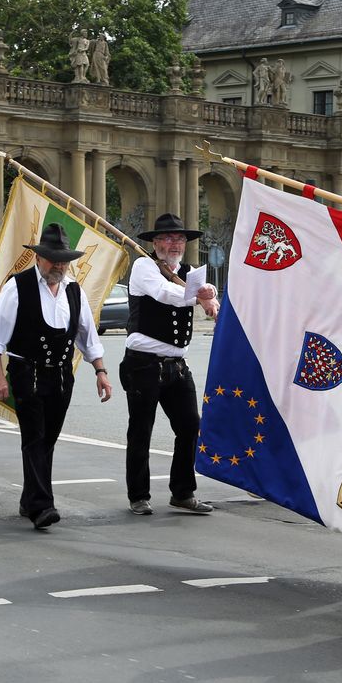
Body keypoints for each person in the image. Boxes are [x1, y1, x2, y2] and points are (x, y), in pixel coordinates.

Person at [0, 223, 112, 530]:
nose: (60, 265)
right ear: (40, 258)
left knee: (48, 440)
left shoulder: (73, 289)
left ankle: (29, 499)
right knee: (35, 438)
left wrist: (101, 371)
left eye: (64, 260)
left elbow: (87, 336)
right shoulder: (18, 286)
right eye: (54, 259)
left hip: (61, 376)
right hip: (27, 372)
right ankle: (42, 506)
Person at [120, 213, 219, 516]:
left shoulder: (190, 273)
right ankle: (138, 495)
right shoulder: (143, 266)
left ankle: (183, 492)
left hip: (177, 364)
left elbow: (203, 291)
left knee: (190, 426)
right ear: (155, 242)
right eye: (167, 238)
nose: (174, 244)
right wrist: (199, 298)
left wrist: (209, 293)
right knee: (141, 430)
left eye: (179, 239)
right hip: (143, 363)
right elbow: (165, 294)